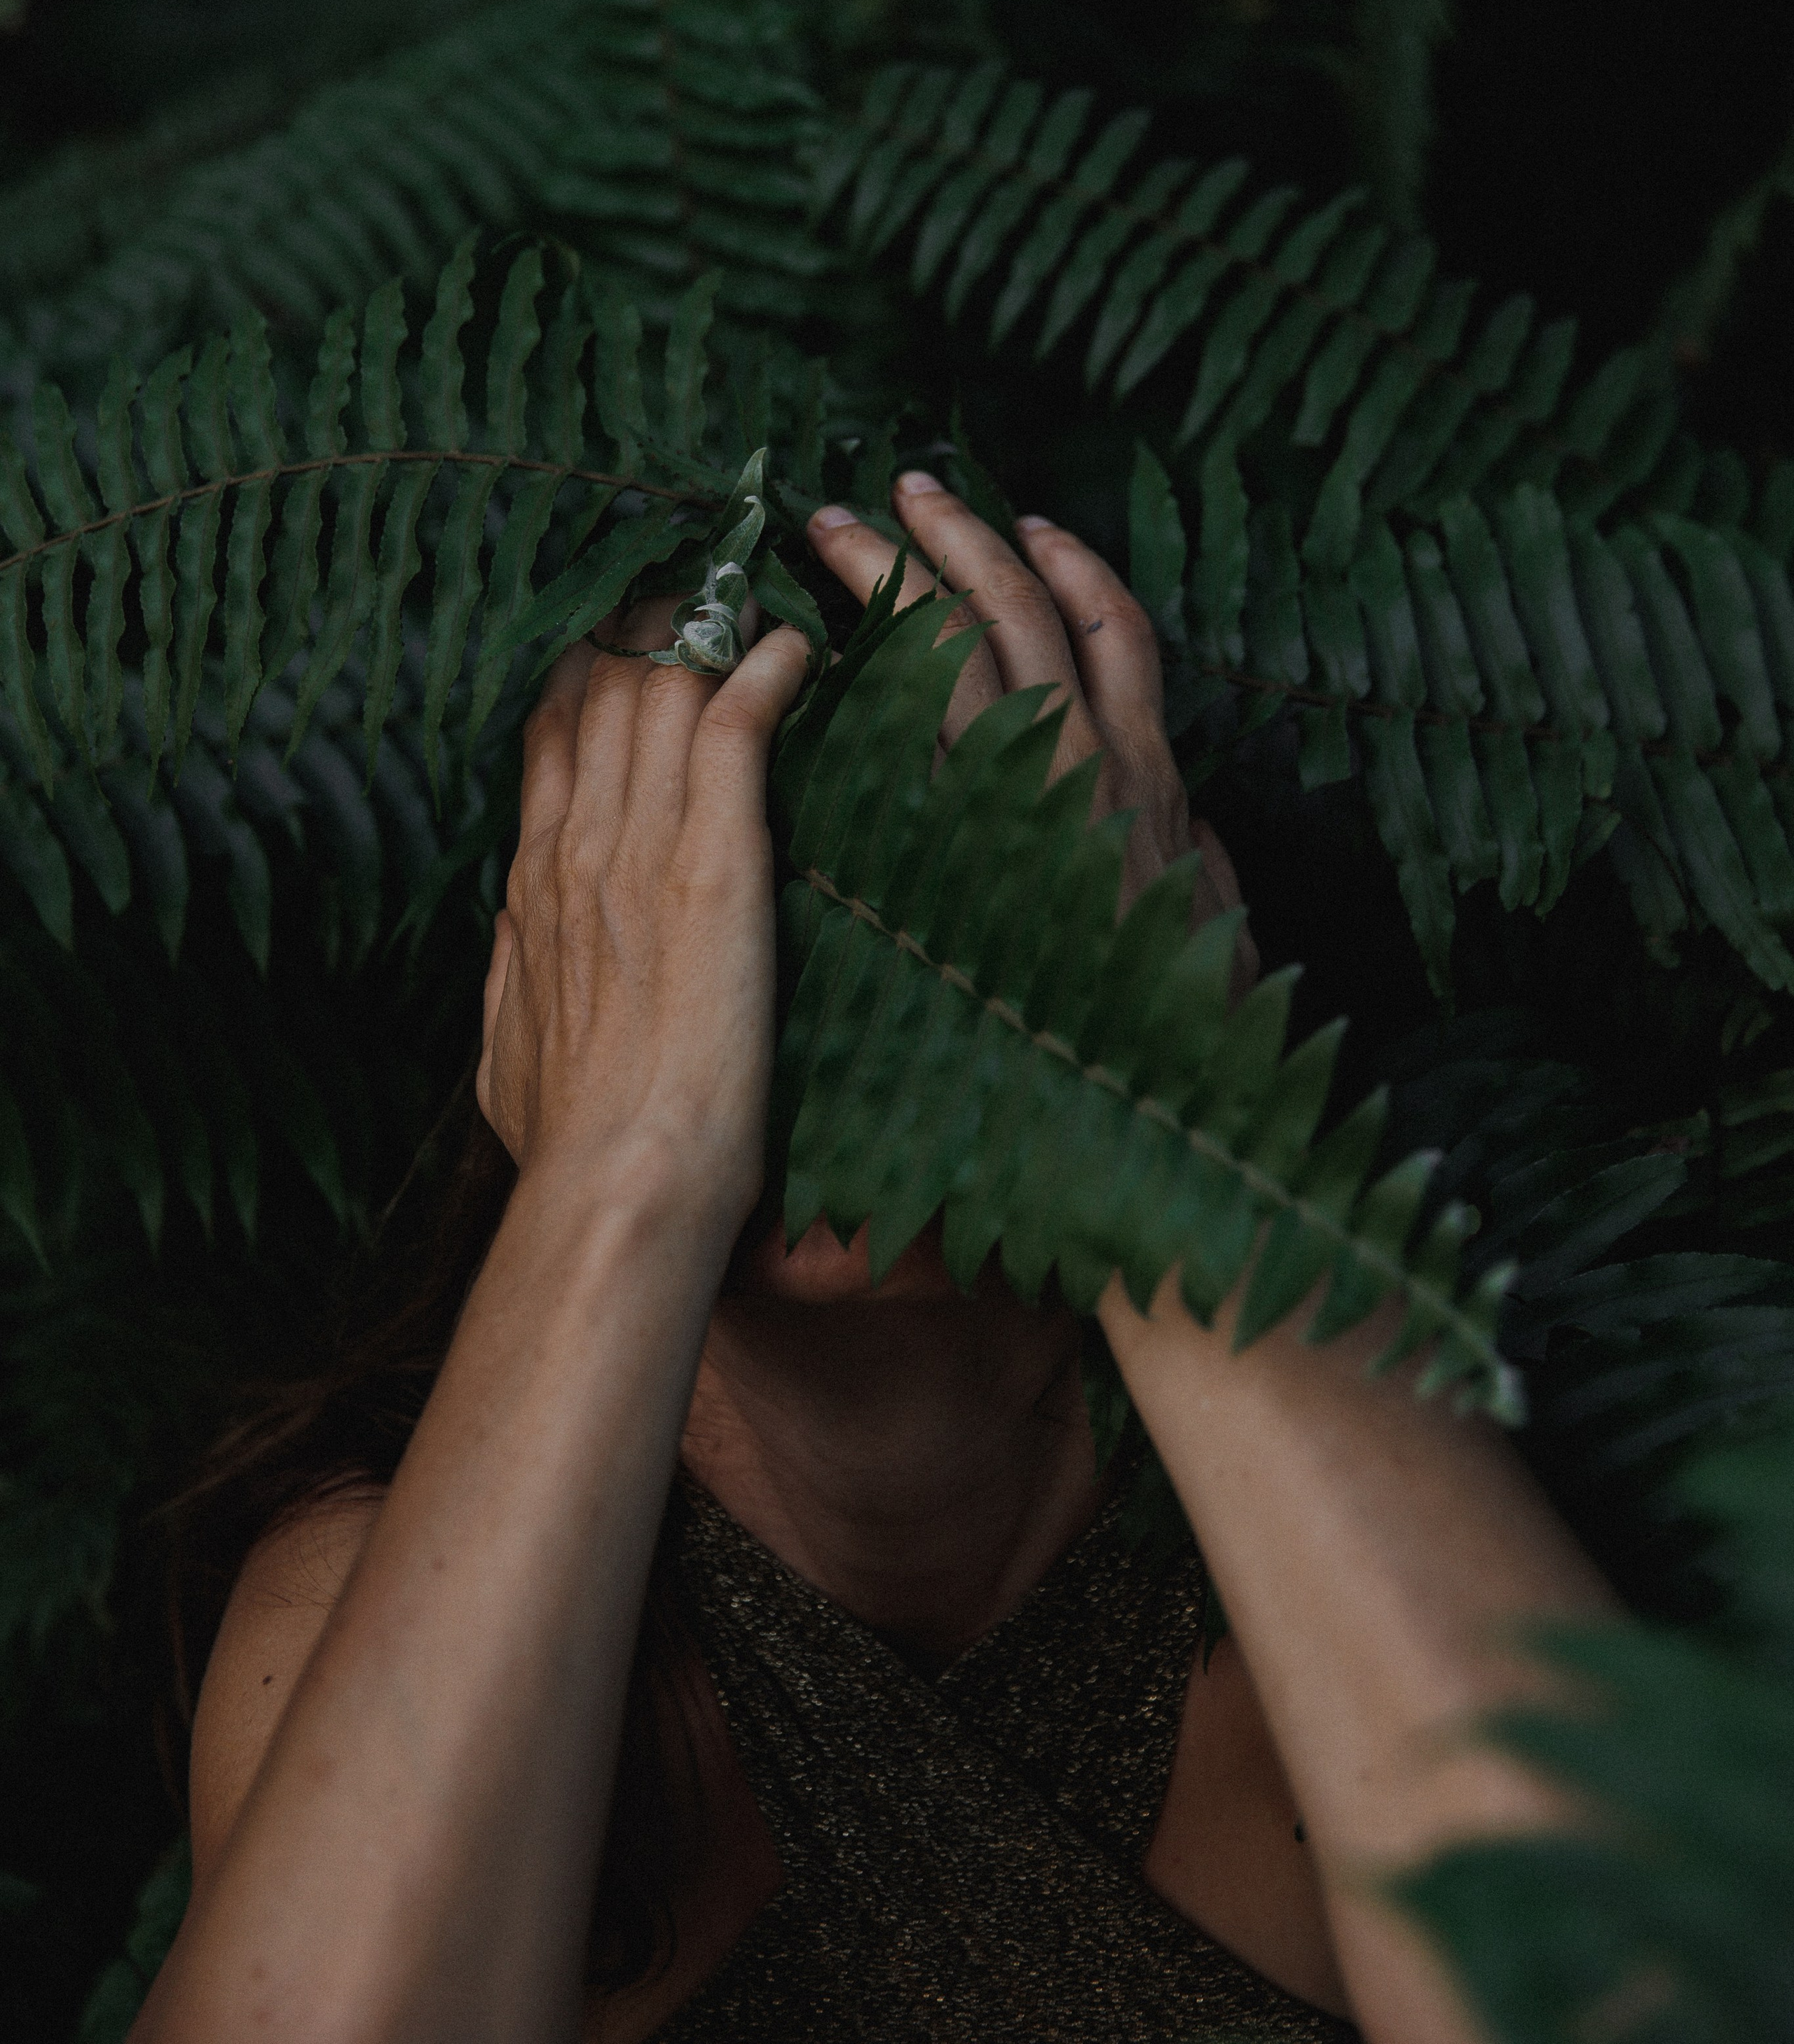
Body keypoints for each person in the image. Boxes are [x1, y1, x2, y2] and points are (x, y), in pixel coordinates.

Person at [135, 472, 1612, 2044]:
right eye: (701, 899)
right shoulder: (367, 1589)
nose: (804, 1005)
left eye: (927, 898)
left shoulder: (1355, 1613)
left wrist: (1157, 1096)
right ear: (564, 979)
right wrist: (618, 1175)